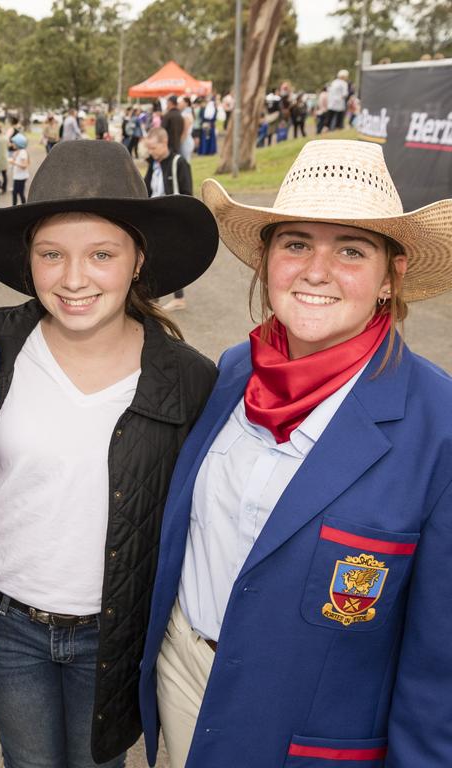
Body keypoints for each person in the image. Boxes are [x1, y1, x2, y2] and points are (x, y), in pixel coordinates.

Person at [138, 139, 452, 767]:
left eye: (352, 251)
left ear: (392, 277)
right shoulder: (233, 371)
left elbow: (439, 667)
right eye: (297, 243)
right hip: (184, 681)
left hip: (306, 738)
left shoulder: (438, 424)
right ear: (266, 260)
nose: (316, 270)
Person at [0, 140, 219, 768]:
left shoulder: (187, 380)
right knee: (28, 759)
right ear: (30, 261)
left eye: (101, 254)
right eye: (53, 254)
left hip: (113, 630)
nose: (74, 280)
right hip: (6, 619)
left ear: (137, 261)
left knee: (100, 761)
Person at [143, 127, 193, 312]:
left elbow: (187, 194)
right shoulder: (153, 164)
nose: (151, 152)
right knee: (153, 256)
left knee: (168, 258)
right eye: (149, 148)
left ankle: (176, 298)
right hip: (154, 218)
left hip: (171, 219)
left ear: (164, 143)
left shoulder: (179, 163)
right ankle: (153, 297)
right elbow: (147, 189)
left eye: (154, 148)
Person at [9, 132, 29, 206]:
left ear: (18, 144)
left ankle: (17, 207)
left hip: (21, 177)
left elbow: (25, 165)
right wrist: (14, 157)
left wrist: (14, 162)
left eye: (13, 143)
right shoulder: (18, 151)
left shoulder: (23, 152)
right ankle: (18, 207)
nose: (12, 144)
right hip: (17, 177)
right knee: (17, 193)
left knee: (18, 193)